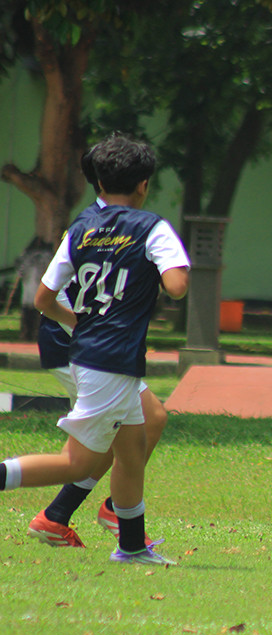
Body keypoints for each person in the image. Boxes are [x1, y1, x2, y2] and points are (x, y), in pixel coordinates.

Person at [0, 134, 190, 566]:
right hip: (111, 362)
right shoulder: (151, 228)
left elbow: (45, 299)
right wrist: (172, 268)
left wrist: (82, 323)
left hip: (93, 354)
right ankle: (58, 515)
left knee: (132, 449)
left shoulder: (81, 227)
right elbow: (177, 288)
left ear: (98, 181)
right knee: (77, 464)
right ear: (144, 183)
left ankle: (131, 546)